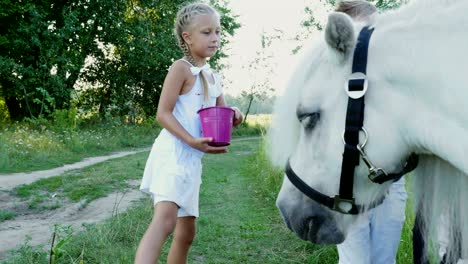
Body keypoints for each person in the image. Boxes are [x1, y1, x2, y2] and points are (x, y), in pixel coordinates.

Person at [134, 3, 243, 263]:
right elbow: (163, 113)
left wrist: (236, 115)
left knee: (187, 233)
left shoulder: (213, 76)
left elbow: (222, 115)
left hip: (193, 160)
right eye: (207, 32)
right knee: (166, 221)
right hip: (173, 154)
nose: (215, 38)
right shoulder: (180, 68)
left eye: (218, 31)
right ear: (187, 36)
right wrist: (192, 140)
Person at [333, 1, 408, 264]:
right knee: (354, 260)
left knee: (385, 259)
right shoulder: (332, 74)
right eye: (365, 28)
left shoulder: (392, 73)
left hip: (391, 184)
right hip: (348, 184)